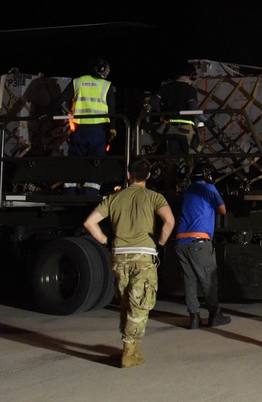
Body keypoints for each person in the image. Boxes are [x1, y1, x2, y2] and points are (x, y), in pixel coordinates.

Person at [83, 157, 175, 369]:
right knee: (140, 305)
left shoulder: (114, 198)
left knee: (126, 302)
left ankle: (129, 347)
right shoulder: (154, 197)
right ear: (149, 176)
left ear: (128, 175)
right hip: (143, 255)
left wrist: (106, 240)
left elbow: (90, 222)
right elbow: (169, 221)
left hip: (120, 256)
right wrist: (159, 242)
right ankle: (129, 351)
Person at [175, 162, 231, 329]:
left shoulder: (186, 192)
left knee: (189, 280)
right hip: (198, 242)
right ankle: (215, 315)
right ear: (207, 175)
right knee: (208, 280)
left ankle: (194, 317)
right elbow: (222, 209)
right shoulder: (209, 189)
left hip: (180, 242)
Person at [50, 59, 116, 195]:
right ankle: (91, 192)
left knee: (75, 158)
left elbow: (60, 100)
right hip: (98, 129)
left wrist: (47, 114)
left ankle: (69, 191)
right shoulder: (106, 85)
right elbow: (112, 109)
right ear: (103, 70)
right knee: (97, 160)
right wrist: (113, 128)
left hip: (79, 129)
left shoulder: (77, 81)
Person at [149, 62, 201, 158]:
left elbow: (153, 101)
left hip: (170, 128)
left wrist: (163, 112)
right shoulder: (190, 90)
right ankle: (191, 171)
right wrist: (206, 120)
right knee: (193, 156)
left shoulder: (167, 87)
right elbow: (193, 110)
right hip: (186, 129)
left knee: (172, 159)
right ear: (192, 76)